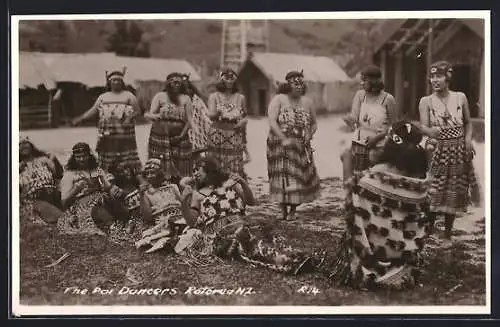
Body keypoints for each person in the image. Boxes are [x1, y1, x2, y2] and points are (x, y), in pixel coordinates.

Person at [324, 121, 431, 290]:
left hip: (377, 252)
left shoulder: (375, 177)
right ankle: (398, 270)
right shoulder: (421, 180)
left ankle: (369, 268)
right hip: (404, 258)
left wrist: (346, 161)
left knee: (361, 217)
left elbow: (351, 199)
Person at [176, 156, 315, 274]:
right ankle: (283, 261)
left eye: (197, 169)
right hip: (219, 232)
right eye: (192, 171)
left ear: (209, 170)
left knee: (263, 228)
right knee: (245, 236)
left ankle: (294, 255)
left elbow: (251, 202)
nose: (194, 173)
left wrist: (242, 182)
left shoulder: (229, 183)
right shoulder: (196, 195)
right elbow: (192, 222)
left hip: (241, 221)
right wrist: (183, 203)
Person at [418, 61, 480, 241]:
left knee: (454, 189)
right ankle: (429, 229)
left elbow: (468, 123)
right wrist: (431, 132)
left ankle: (447, 233)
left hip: (459, 148)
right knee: (433, 189)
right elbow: (423, 127)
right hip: (437, 148)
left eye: (439, 76)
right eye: (432, 76)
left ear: (448, 77)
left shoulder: (460, 97)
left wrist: (468, 140)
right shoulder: (426, 101)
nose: (435, 80)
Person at [266, 70, 320, 221]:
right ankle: (282, 209)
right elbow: (272, 121)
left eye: (300, 83)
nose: (298, 86)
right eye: (295, 83)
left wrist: (309, 135)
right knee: (281, 176)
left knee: (297, 177)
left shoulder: (308, 102)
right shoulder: (279, 99)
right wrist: (283, 138)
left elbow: (314, 123)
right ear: (288, 85)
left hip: (299, 145)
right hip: (279, 145)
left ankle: (293, 210)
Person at [341, 64, 397, 207]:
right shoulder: (360, 95)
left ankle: (374, 210)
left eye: (364, 80)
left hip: (379, 146)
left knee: (374, 180)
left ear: (374, 81)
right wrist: (349, 119)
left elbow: (394, 126)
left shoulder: (388, 99)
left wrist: (377, 138)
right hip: (359, 143)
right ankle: (353, 205)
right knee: (357, 177)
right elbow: (354, 117)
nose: (362, 83)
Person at [72, 67, 142, 173]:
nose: (116, 82)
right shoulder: (103, 97)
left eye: (119, 80)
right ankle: (107, 175)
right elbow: (93, 110)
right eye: (114, 80)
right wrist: (81, 118)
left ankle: (130, 175)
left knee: (125, 154)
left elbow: (137, 111)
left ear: (122, 82)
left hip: (124, 133)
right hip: (107, 133)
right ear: (109, 82)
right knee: (107, 154)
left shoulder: (129, 96)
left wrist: (128, 118)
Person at [145, 73, 194, 180]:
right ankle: (160, 181)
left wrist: (181, 136)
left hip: (180, 136)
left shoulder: (186, 98)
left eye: (179, 83)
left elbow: (189, 121)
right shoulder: (160, 96)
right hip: (160, 136)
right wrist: (155, 116)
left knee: (180, 163)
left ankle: (179, 184)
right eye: (174, 82)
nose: (177, 84)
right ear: (168, 83)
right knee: (160, 160)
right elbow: (149, 114)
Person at [57, 143, 111, 236]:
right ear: (73, 158)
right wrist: (76, 189)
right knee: (106, 217)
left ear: (89, 156)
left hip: (101, 200)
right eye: (78, 157)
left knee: (115, 204)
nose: (81, 159)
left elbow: (107, 188)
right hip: (82, 207)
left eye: (84, 156)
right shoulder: (70, 175)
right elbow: (64, 203)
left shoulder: (97, 170)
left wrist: (103, 180)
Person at [134, 158, 187, 253]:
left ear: (160, 174)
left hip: (180, 219)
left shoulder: (172, 187)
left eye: (152, 173)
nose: (149, 176)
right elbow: (148, 218)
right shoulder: (146, 194)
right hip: (163, 224)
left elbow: (184, 205)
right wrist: (141, 195)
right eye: (147, 173)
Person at [206, 68, 250, 178]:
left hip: (234, 131)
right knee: (216, 159)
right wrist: (218, 112)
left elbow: (245, 116)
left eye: (232, 78)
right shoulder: (214, 96)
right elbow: (210, 115)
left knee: (233, 159)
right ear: (222, 80)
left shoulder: (241, 98)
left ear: (235, 80)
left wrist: (243, 122)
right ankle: (215, 186)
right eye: (227, 78)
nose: (229, 81)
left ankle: (233, 187)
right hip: (217, 131)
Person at [19, 137, 64, 225]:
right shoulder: (13, 165)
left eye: (25, 143)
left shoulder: (44, 159)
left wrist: (54, 160)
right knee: (60, 216)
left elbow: (59, 175)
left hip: (52, 192)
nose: (23, 146)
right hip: (34, 198)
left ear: (31, 145)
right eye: (19, 144)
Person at [182, 73, 212, 152]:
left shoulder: (195, 97)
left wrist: (207, 118)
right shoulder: (180, 96)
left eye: (186, 82)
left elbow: (202, 109)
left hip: (195, 117)